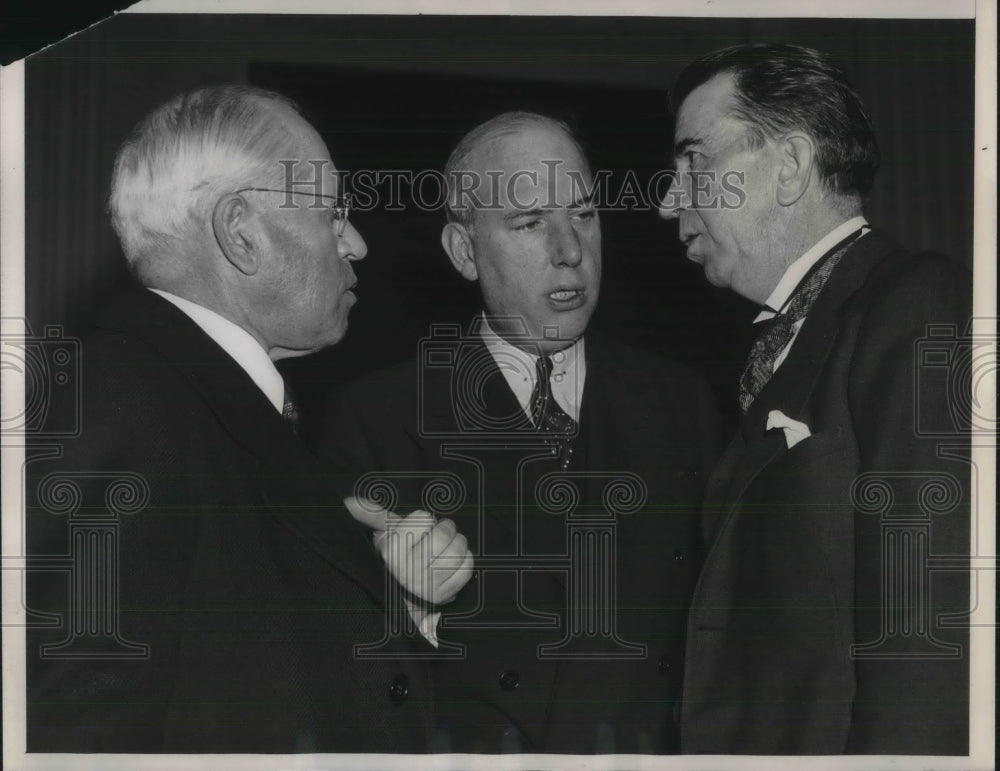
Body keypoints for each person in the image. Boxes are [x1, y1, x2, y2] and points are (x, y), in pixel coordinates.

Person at [25, 84, 463, 753]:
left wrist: (394, 605)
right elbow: (77, 733)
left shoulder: (200, 402)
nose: (357, 243)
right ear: (240, 231)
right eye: (334, 211)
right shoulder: (123, 407)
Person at [324, 112, 721, 754]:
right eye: (530, 223)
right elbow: (332, 667)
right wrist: (408, 602)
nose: (569, 252)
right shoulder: (378, 416)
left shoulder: (683, 402)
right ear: (464, 252)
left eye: (585, 215)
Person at [659, 44, 970, 754]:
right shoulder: (789, 343)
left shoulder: (918, 304)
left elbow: (926, 637)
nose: (669, 198)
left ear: (792, 166)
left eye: (693, 161)